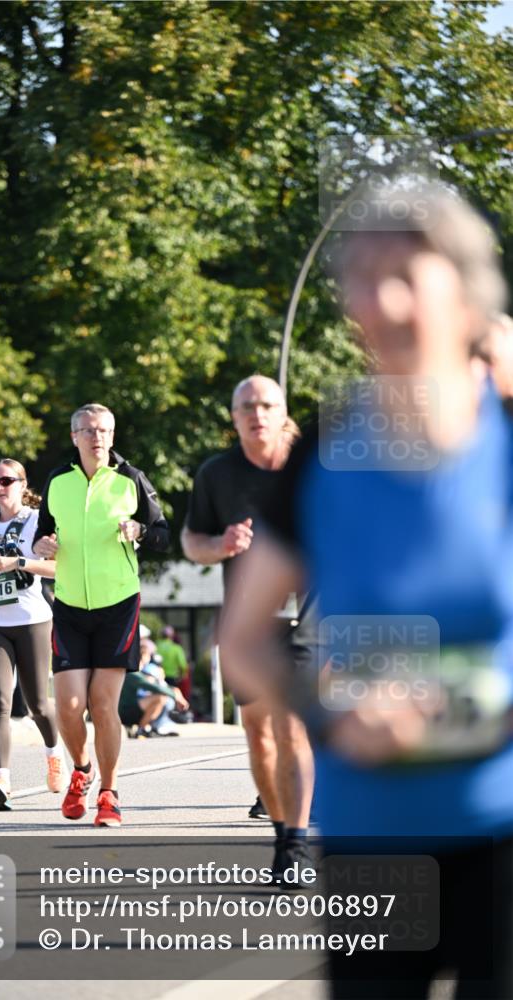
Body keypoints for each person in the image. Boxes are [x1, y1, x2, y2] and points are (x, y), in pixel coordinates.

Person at [220, 186, 513, 999]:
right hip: (373, 839)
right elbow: (243, 640)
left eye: (404, 274)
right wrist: (327, 707)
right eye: (360, 277)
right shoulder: (326, 454)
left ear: (462, 289)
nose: (379, 300)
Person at [181, 375, 316, 877]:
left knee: (291, 727)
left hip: (307, 617)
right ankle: (282, 832)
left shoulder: (315, 467)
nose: (256, 414)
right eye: (246, 407)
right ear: (234, 418)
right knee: (259, 734)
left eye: (266, 404)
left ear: (283, 413)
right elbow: (192, 541)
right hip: (249, 623)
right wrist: (221, 545)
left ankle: (297, 845)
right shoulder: (218, 474)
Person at [33, 403, 170, 827]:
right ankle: (82, 770)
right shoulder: (58, 481)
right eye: (89, 431)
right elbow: (42, 532)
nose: (98, 438)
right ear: (74, 436)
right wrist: (42, 546)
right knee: (69, 707)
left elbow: (163, 533)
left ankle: (108, 793)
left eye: (105, 431)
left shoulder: (131, 480)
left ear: (112, 435)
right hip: (70, 604)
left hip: (118, 605)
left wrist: (139, 531)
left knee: (102, 703)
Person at [0, 458, 65, 811]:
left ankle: (54, 755)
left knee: (37, 704)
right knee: (0, 704)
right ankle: (1, 779)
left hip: (31, 619)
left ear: (22, 485)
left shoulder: (37, 521)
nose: (0, 487)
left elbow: (55, 567)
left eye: (7, 481)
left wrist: (19, 562)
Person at [119, 636, 190, 738]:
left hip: (130, 707)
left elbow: (155, 685)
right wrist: (175, 695)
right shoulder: (132, 673)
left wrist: (175, 691)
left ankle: (150, 727)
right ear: (143, 657)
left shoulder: (139, 672)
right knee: (160, 698)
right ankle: (141, 729)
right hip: (125, 710)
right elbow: (153, 687)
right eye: (148, 656)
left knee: (163, 695)